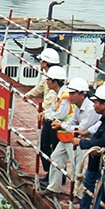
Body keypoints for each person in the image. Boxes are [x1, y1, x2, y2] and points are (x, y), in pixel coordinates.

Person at [43, 66, 74, 194]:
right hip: (64, 136)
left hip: (72, 137)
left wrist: (46, 115)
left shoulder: (65, 96)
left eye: (49, 79)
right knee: (55, 158)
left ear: (55, 82)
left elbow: (59, 115)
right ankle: (53, 188)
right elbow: (53, 109)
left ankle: (79, 194)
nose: (46, 82)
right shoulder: (59, 95)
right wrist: (46, 113)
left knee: (77, 166)